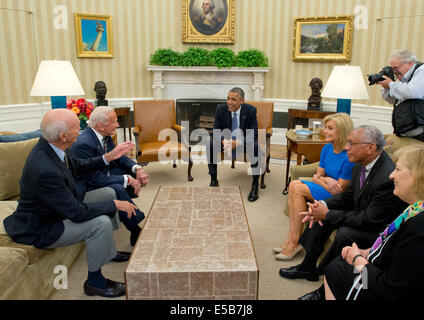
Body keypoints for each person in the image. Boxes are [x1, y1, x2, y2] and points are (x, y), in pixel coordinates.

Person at [3, 109, 137, 298]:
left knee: (108, 193)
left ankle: (108, 250)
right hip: (42, 226)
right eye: (77, 127)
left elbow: (80, 166)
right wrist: (115, 205)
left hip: (59, 207)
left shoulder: (53, 147)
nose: (82, 130)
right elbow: (77, 213)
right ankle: (95, 283)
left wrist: (109, 157)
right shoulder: (45, 169)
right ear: (63, 135)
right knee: (100, 223)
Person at [279, 125, 408, 282]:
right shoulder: (360, 163)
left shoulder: (386, 177)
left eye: (351, 143)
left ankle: (326, 276)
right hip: (363, 214)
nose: (346, 147)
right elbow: (347, 196)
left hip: (379, 228)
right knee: (320, 217)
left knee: (345, 233)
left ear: (370, 147)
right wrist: (322, 206)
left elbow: (369, 220)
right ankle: (307, 267)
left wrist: (328, 214)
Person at [301, 145, 424, 300]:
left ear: (418, 175)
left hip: (381, 287)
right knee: (338, 263)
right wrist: (366, 253)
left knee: (336, 271)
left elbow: (391, 288)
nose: (392, 175)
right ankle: (308, 268)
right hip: (377, 265)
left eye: (398, 169)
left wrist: (357, 260)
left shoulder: (418, 226)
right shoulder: (415, 208)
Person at [273, 113, 354, 260]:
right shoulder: (327, 148)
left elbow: (339, 190)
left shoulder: (349, 156)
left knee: (297, 187)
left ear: (341, 131)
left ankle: (294, 242)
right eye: (325, 127)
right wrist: (327, 179)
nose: (325, 131)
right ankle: (291, 238)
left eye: (330, 128)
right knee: (293, 185)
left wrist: (321, 179)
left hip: (339, 198)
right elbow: (317, 176)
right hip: (325, 189)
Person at [70, 106, 149, 246]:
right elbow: (94, 179)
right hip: (86, 185)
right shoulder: (84, 144)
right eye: (114, 122)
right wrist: (128, 180)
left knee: (130, 172)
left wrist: (137, 169)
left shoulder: (104, 136)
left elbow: (118, 158)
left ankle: (124, 212)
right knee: (117, 187)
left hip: (100, 174)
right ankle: (135, 228)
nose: (118, 125)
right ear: (101, 125)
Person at [207, 87, 265, 202]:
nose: (229, 102)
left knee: (255, 147)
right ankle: (213, 178)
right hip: (226, 141)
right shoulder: (221, 109)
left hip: (242, 141)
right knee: (211, 144)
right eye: (228, 98)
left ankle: (254, 185)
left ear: (242, 101)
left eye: (233, 99)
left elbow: (253, 132)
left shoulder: (251, 110)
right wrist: (224, 141)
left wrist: (238, 142)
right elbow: (216, 130)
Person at [379, 49, 424, 141]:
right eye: (392, 69)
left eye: (395, 68)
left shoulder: (421, 71)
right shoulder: (405, 80)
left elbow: (412, 92)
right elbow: (392, 100)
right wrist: (386, 87)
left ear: (410, 63)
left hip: (420, 135)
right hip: (404, 133)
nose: (394, 72)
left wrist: (391, 84)